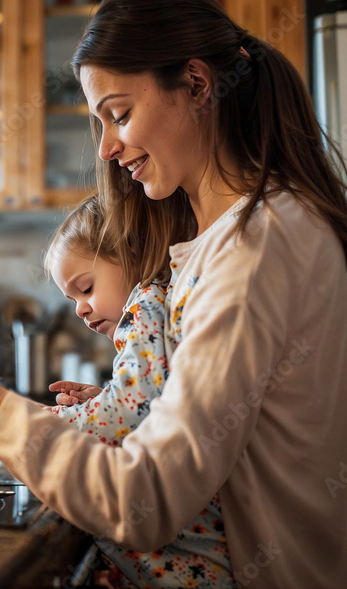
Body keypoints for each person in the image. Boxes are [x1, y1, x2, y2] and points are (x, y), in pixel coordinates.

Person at [0, 0, 347, 588]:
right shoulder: (227, 239)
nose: (109, 147)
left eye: (119, 114)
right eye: (100, 122)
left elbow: (148, 499)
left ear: (196, 85)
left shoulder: (256, 242)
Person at [45, 194, 233, 587]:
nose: (80, 309)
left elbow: (128, 416)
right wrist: (101, 400)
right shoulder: (156, 303)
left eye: (86, 287)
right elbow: (152, 405)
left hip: (184, 566)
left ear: (129, 254)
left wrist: (48, 423)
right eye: (72, 299)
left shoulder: (144, 305)